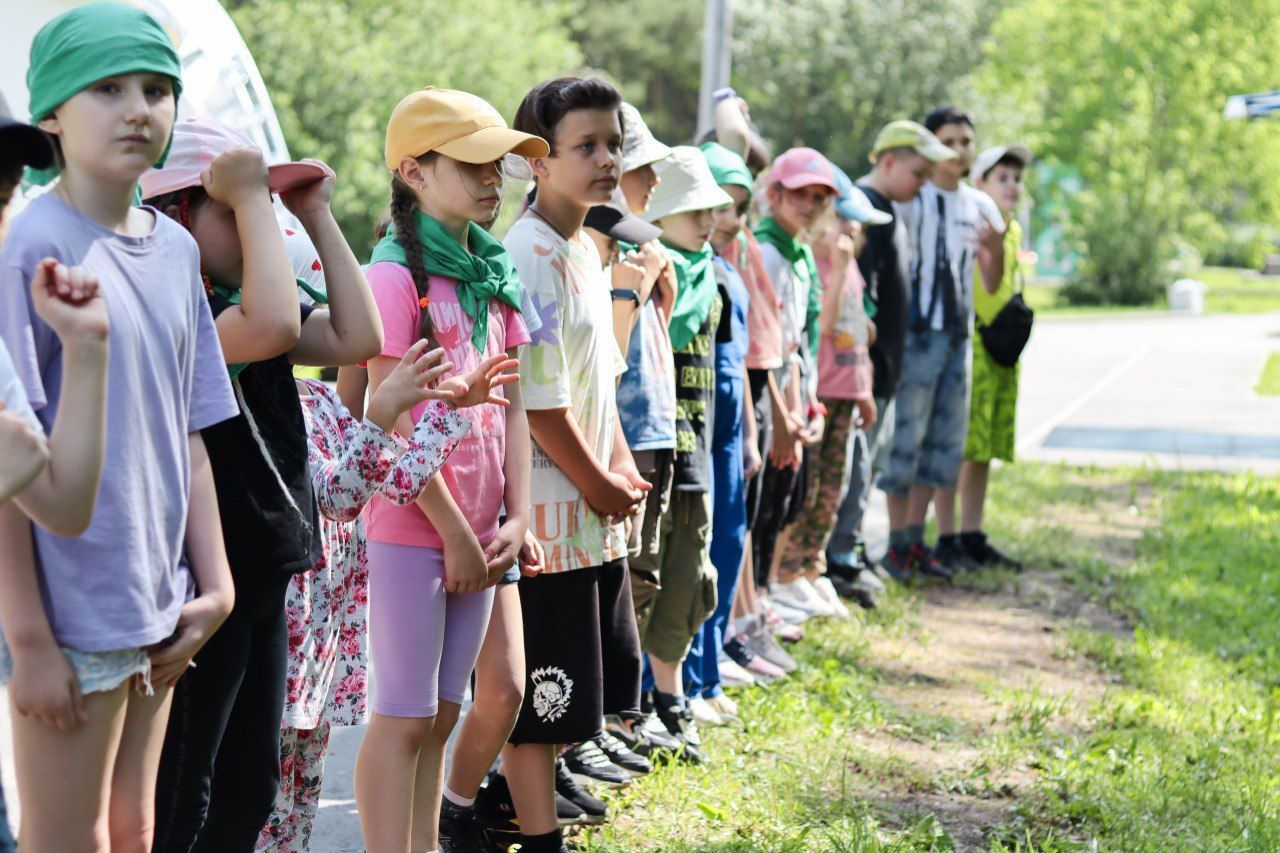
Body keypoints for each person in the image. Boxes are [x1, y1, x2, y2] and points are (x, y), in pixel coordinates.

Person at [0, 4, 239, 848]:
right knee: (70, 839)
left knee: (138, 829)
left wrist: (215, 585)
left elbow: (192, 425)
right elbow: (8, 466)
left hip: (160, 601)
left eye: (156, 88)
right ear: (52, 114)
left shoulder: (175, 251)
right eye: (108, 88)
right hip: (67, 613)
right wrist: (27, 637)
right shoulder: (28, 245)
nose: (138, 107)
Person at [139, 114, 382, 850]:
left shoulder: (255, 302)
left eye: (261, 208)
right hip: (204, 584)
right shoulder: (191, 316)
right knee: (185, 794)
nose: (258, 226)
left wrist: (315, 213)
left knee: (251, 790)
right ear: (177, 213)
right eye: (236, 208)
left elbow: (358, 338)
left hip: (266, 578)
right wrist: (252, 193)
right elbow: (273, 326)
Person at [355, 86, 533, 853]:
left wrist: (516, 516)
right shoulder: (394, 280)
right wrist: (456, 532)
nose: (495, 178)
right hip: (414, 530)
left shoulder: (491, 276)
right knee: (401, 716)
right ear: (413, 171)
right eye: (473, 163)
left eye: (501, 164)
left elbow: (513, 408)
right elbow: (393, 421)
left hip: (485, 535)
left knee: (445, 711)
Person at [487, 76, 647, 853]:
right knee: (540, 694)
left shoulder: (584, 246)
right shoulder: (528, 252)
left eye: (613, 142)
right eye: (586, 145)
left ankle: (509, 811)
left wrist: (619, 471)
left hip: (587, 506)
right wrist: (598, 483)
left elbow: (599, 381)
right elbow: (541, 402)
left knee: (573, 689)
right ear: (537, 161)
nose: (608, 158)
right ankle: (528, 831)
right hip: (549, 511)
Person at [631, 146, 734, 757]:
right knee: (641, 577)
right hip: (655, 449)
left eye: (711, 209)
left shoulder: (708, 272)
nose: (706, 220)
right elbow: (658, 338)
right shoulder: (651, 267)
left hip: (697, 450)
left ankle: (671, 698)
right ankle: (634, 706)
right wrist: (667, 284)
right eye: (691, 209)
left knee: (689, 580)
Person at [881, 106, 1005, 580]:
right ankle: (897, 542)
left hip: (958, 337)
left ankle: (917, 539)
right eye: (949, 141)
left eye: (966, 141)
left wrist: (994, 249)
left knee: (943, 444)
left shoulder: (979, 205)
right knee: (906, 440)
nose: (959, 151)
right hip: (916, 335)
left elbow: (990, 284)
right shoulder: (913, 197)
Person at [832, 120, 957, 586]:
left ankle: (852, 544)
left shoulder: (889, 208)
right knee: (856, 465)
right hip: (865, 370)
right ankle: (840, 553)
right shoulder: (865, 211)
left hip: (884, 369)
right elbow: (859, 297)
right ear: (888, 162)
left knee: (869, 463)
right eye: (918, 174)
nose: (923, 185)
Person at [779, 171, 891, 611]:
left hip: (848, 392)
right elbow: (823, 327)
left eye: (857, 227)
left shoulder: (853, 269)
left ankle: (813, 565)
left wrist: (864, 390)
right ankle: (789, 569)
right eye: (844, 222)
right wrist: (842, 269)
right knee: (809, 487)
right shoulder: (820, 265)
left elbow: (857, 336)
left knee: (835, 486)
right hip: (820, 392)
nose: (852, 232)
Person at [679, 142, 763, 724]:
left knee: (728, 543)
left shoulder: (728, 272)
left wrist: (753, 433)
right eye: (713, 207)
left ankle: (709, 672)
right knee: (693, 553)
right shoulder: (684, 269)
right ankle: (686, 676)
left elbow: (743, 363)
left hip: (730, 424)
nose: (722, 221)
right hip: (694, 425)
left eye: (730, 209)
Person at [750, 147, 840, 618]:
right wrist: (785, 413)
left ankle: (768, 593)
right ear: (775, 194)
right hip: (771, 400)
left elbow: (803, 340)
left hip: (794, 395)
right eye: (800, 194)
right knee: (766, 506)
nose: (809, 205)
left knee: (791, 497)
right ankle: (759, 598)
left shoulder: (799, 252)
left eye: (819, 198)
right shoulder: (765, 249)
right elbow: (767, 344)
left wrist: (812, 406)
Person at [949, 143, 1033, 571]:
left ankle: (973, 530)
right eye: (1002, 178)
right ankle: (951, 534)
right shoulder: (975, 223)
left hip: (1002, 350)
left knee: (984, 449)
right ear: (979, 183)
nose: (1012, 186)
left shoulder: (1012, 230)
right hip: (976, 348)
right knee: (966, 445)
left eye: (1017, 179)